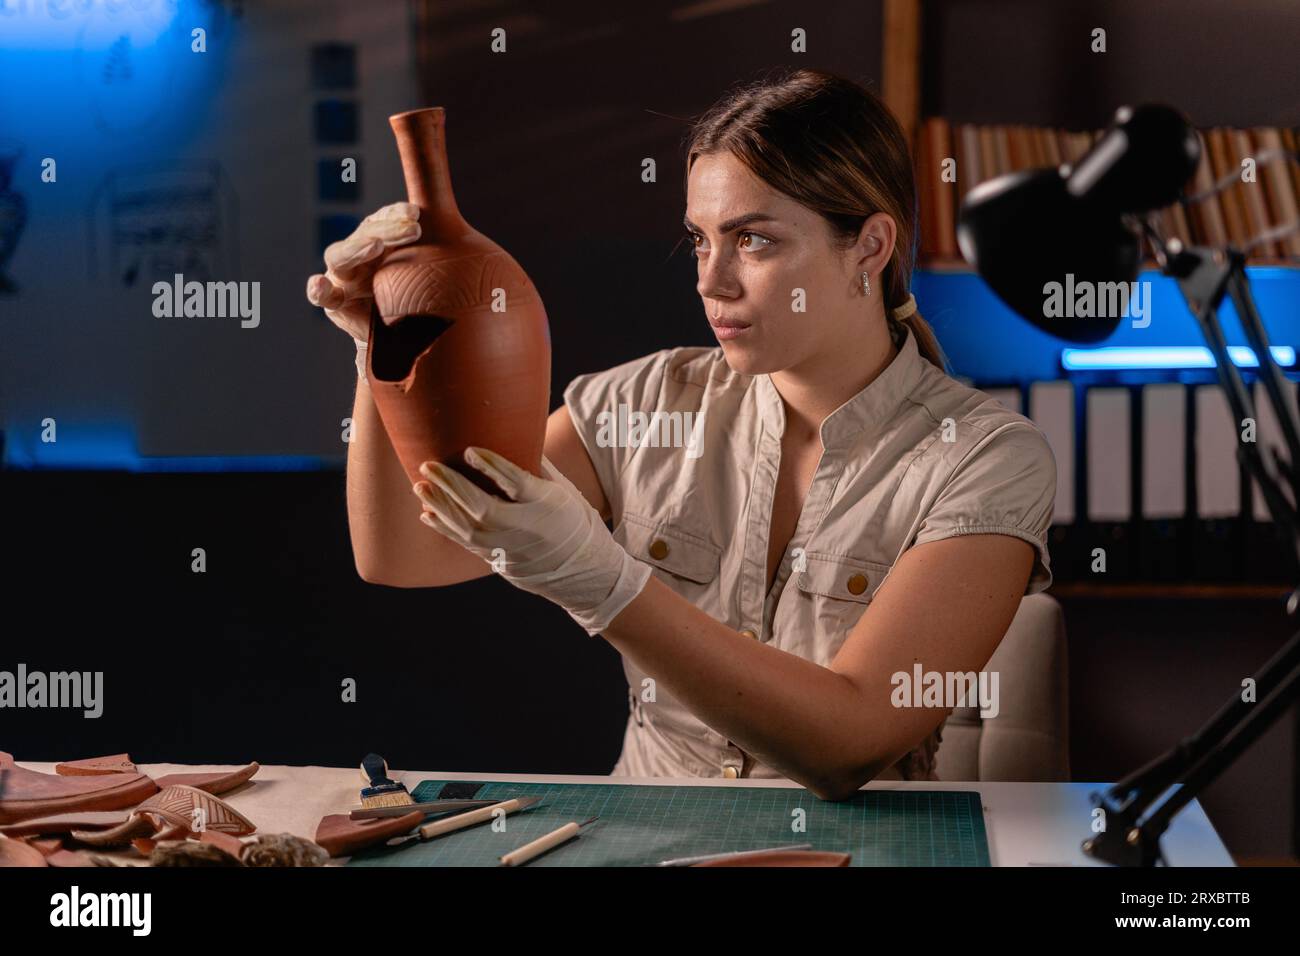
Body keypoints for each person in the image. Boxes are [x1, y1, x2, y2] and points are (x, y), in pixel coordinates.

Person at [306, 69, 1056, 800]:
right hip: (645, 834)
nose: (710, 279)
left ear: (868, 245)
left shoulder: (986, 460)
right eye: (699, 240)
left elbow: (847, 744)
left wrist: (603, 582)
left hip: (857, 850)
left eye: (753, 241)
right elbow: (402, 553)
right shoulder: (638, 404)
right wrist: (382, 342)